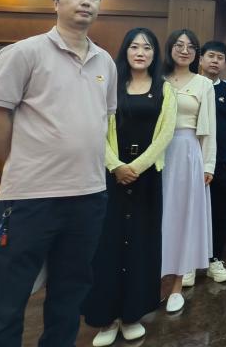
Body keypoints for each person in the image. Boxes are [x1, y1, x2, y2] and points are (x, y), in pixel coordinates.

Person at [0, 0, 117, 346]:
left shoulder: (105, 62)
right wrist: (21, 159)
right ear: (55, 2)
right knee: (6, 297)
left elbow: (102, 122)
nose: (86, 1)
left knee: (70, 295)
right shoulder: (24, 52)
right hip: (30, 198)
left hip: (88, 196)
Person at [83, 27, 177, 346]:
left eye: (147, 47)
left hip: (147, 177)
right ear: (125, 50)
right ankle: (106, 319)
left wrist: (135, 167)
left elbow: (165, 134)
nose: (140, 52)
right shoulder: (111, 85)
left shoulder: (165, 89)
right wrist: (116, 166)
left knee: (141, 243)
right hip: (110, 177)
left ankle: (132, 315)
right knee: (106, 245)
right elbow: (96, 128)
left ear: (155, 54)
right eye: (134, 46)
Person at [161, 29, 216, 313]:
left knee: (183, 217)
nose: (184, 50)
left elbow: (209, 130)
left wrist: (208, 165)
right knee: (157, 216)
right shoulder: (156, 79)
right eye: (179, 45)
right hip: (155, 153)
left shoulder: (203, 84)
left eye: (191, 47)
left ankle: (176, 285)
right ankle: (155, 279)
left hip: (187, 152)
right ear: (169, 47)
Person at [199, 41, 226, 283]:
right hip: (191, 158)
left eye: (220, 57)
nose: (215, 61)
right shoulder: (188, 86)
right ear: (201, 59)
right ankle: (187, 263)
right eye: (211, 56)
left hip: (221, 160)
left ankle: (215, 259)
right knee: (190, 211)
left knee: (219, 211)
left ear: (225, 63)